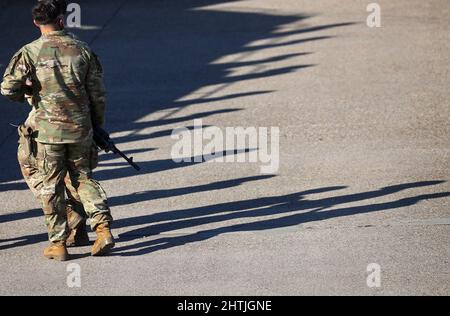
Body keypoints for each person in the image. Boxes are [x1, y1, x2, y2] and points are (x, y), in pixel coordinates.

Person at [1, 0, 114, 261]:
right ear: (62, 20)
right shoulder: (82, 49)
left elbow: (8, 88)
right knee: (83, 178)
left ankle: (58, 243)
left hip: (47, 133)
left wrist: (27, 92)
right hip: (80, 129)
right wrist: (97, 125)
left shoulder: (29, 52)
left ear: (36, 23)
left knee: (51, 185)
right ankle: (103, 229)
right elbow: (98, 94)